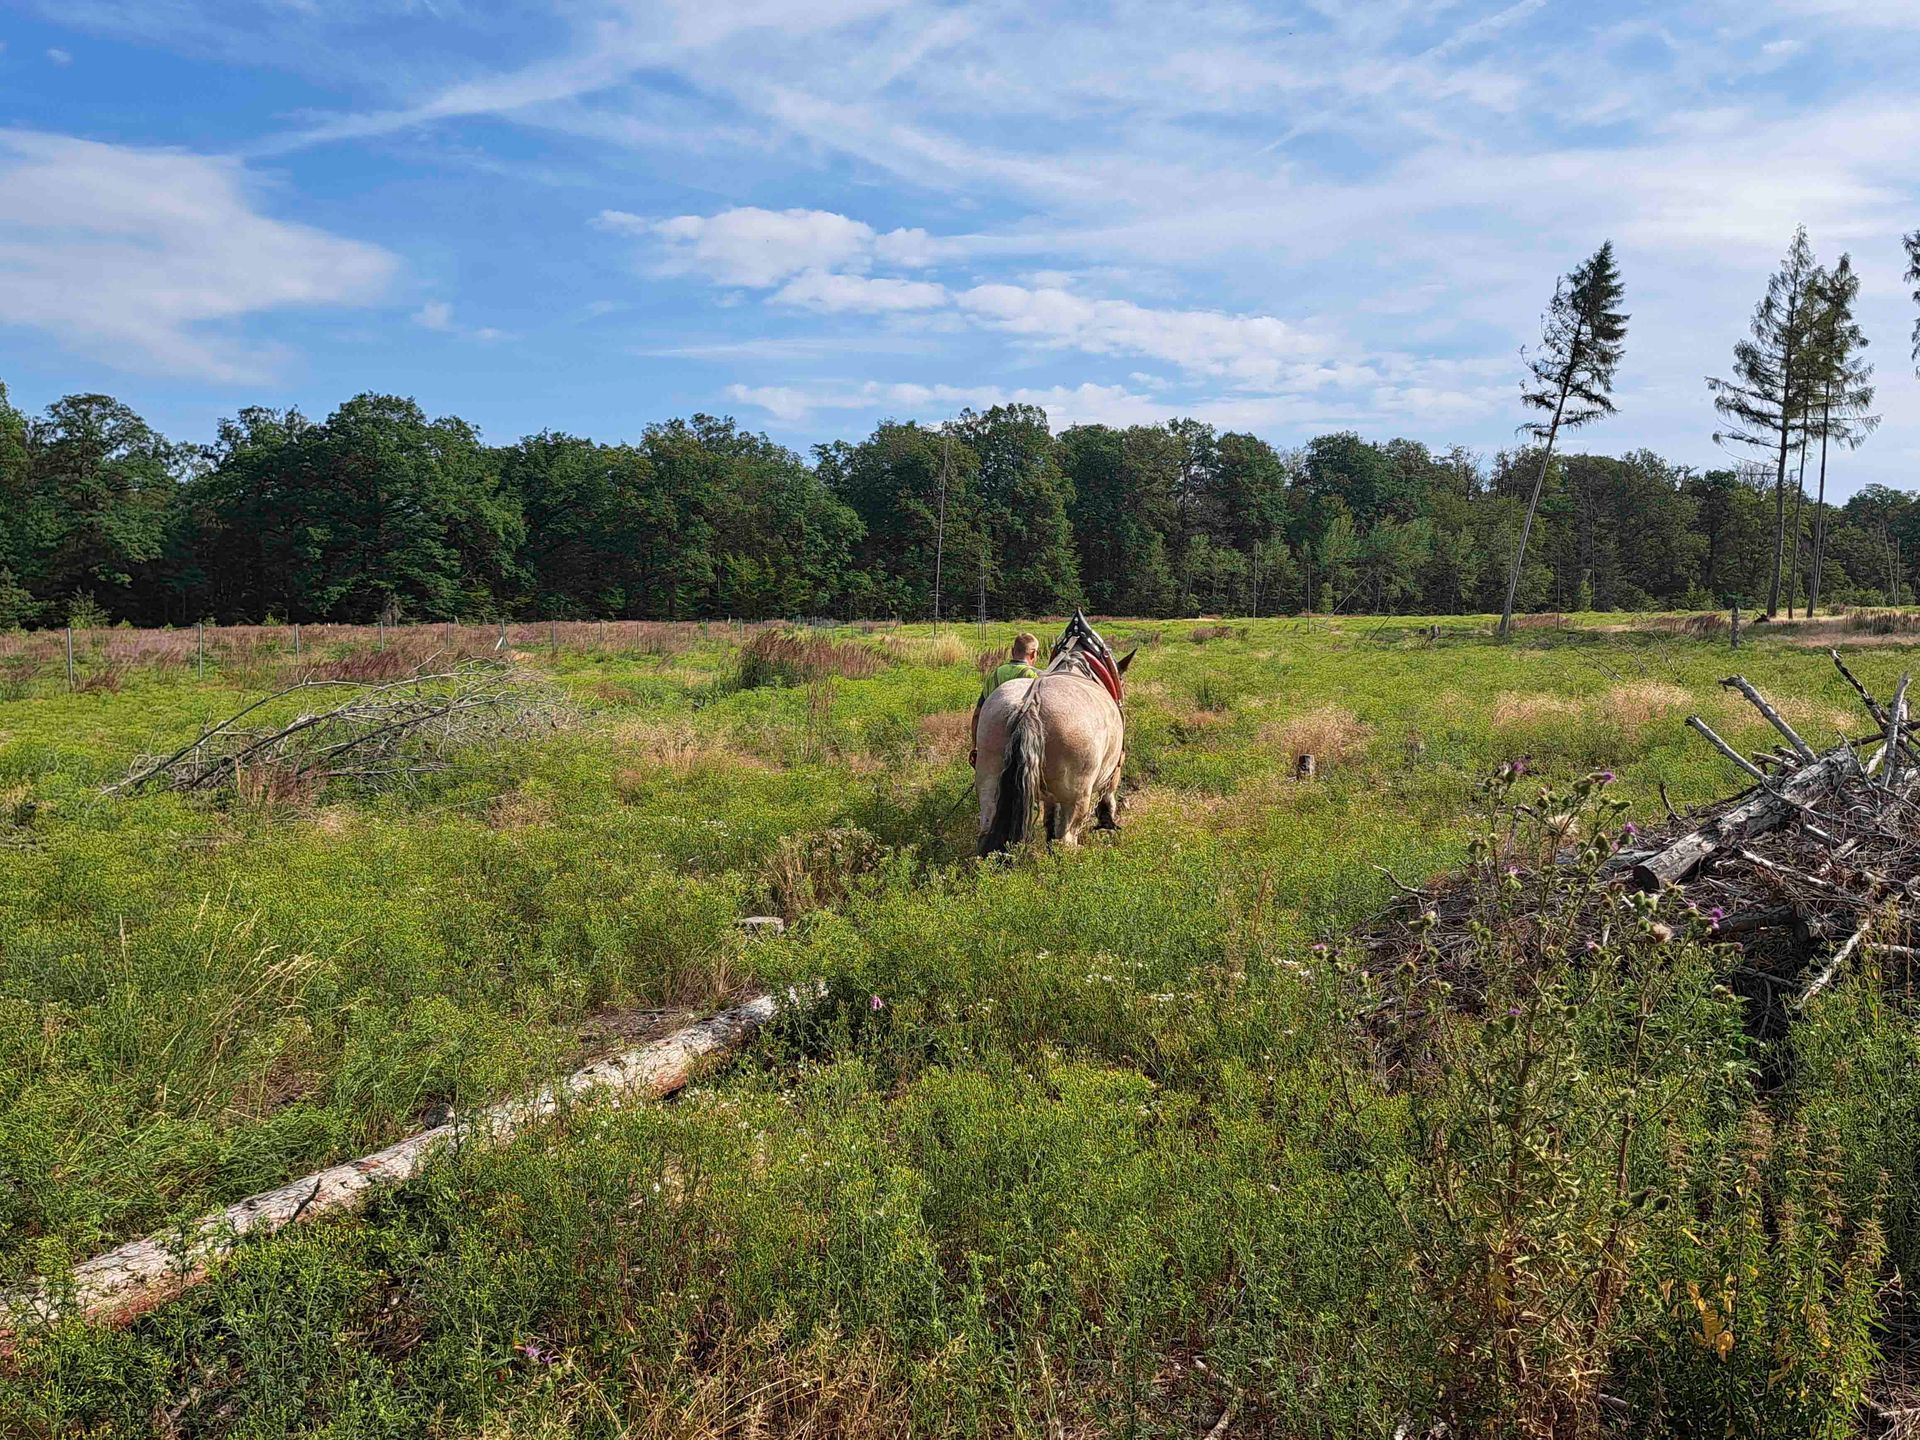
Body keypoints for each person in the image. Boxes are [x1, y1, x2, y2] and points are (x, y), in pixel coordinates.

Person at [970, 632, 1042, 767]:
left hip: (993, 742)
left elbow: (977, 714)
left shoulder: (995, 675)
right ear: (1033, 654)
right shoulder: (1033, 676)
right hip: (1021, 746)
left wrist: (975, 746)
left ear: (1012, 651)